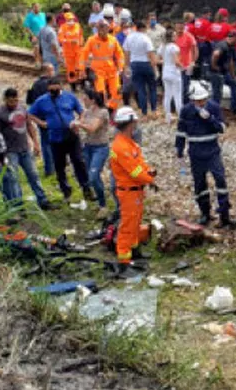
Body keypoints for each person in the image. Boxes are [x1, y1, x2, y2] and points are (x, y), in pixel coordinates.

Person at [176, 81, 236, 229]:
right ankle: (205, 213)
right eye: (198, 101)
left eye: (203, 100)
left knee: (220, 180)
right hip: (196, 153)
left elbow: (222, 128)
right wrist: (179, 149)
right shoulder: (186, 111)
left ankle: (225, 216)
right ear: (192, 100)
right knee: (200, 184)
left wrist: (209, 119)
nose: (201, 103)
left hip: (212, 151)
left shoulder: (213, 107)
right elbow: (181, 131)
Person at [27, 76, 92, 207]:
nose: (53, 93)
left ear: (61, 87)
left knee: (79, 161)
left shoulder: (70, 97)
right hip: (55, 138)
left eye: (55, 90)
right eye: (51, 91)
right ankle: (66, 191)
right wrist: (41, 123)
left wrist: (79, 122)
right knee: (59, 166)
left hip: (71, 135)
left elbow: (81, 111)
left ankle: (86, 188)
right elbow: (30, 114)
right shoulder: (42, 101)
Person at [108, 107, 157, 275]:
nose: (136, 124)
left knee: (135, 222)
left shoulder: (130, 143)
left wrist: (149, 172)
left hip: (135, 190)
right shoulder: (121, 147)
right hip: (128, 191)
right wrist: (150, 179)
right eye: (134, 122)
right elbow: (134, 171)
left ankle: (135, 252)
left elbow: (140, 164)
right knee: (127, 225)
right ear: (129, 123)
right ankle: (124, 261)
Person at [0, 89, 53, 211]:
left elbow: (29, 125)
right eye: (11, 101)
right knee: (13, 179)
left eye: (16, 100)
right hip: (10, 151)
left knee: (33, 175)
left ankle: (42, 200)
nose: (14, 103)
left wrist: (36, 143)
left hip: (25, 148)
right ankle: (18, 204)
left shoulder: (21, 108)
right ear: (5, 100)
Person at [74, 90, 112, 218]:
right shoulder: (87, 112)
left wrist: (79, 124)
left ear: (93, 100)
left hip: (100, 147)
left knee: (93, 176)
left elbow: (92, 128)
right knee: (93, 177)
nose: (83, 101)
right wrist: (75, 125)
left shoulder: (103, 112)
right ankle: (101, 202)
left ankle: (103, 205)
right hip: (88, 146)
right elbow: (80, 122)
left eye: (85, 98)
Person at [83, 20, 126, 110]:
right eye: (100, 28)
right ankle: (102, 108)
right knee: (100, 92)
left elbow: (120, 54)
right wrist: (82, 69)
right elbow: (84, 54)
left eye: (105, 28)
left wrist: (121, 67)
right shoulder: (91, 40)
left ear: (108, 28)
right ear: (97, 29)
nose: (103, 30)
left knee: (117, 92)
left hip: (112, 70)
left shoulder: (113, 40)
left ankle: (111, 108)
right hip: (98, 70)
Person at [123, 19, 159, 117]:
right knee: (152, 88)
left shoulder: (129, 37)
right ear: (143, 28)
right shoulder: (145, 38)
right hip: (146, 64)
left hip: (134, 64)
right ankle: (154, 110)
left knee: (140, 89)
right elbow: (150, 54)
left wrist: (126, 66)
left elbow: (126, 53)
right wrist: (155, 68)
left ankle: (144, 112)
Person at [27, 63, 57, 177]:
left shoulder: (34, 84)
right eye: (52, 70)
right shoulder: (52, 84)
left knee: (45, 143)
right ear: (48, 71)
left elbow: (29, 102)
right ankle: (56, 166)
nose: (53, 72)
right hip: (54, 117)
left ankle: (49, 169)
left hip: (41, 118)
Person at [209, 29, 236, 114]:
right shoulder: (223, 45)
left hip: (224, 72)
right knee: (217, 93)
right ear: (234, 38)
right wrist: (214, 65)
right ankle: (214, 112)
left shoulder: (230, 47)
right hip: (216, 73)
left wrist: (233, 76)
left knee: (234, 83)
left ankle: (234, 107)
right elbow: (215, 54)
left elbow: (231, 62)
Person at [159, 29, 184, 123]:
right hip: (174, 72)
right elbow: (176, 62)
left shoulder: (163, 47)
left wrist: (166, 62)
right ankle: (181, 117)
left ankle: (168, 117)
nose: (176, 36)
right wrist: (183, 68)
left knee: (167, 95)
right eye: (174, 35)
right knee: (177, 96)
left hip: (165, 71)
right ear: (172, 37)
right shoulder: (174, 47)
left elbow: (159, 59)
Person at [58, 12, 85, 89]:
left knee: (80, 68)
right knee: (71, 70)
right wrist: (69, 41)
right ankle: (73, 86)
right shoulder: (62, 28)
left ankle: (82, 84)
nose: (71, 21)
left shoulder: (77, 26)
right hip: (68, 53)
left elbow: (81, 36)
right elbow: (60, 39)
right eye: (69, 19)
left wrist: (81, 42)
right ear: (66, 20)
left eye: (72, 19)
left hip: (78, 51)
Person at [174, 17, 197, 94]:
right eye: (178, 28)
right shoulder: (173, 37)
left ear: (184, 27)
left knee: (185, 86)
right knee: (176, 86)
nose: (180, 30)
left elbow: (195, 49)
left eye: (181, 28)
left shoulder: (189, 36)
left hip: (187, 65)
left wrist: (193, 62)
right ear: (175, 28)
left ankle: (185, 103)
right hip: (175, 66)